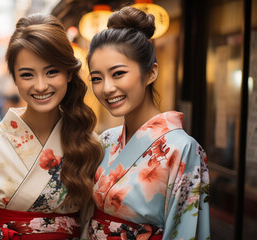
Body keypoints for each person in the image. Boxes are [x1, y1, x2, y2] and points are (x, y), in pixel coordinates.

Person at [0, 13, 103, 240]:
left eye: (52, 71)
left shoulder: (89, 144)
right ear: (14, 78)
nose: (41, 86)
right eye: (27, 75)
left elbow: (91, 227)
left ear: (69, 73)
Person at [86, 6, 210, 240]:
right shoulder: (105, 141)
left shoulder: (183, 149)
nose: (107, 88)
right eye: (96, 78)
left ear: (151, 73)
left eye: (118, 73)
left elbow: (183, 231)